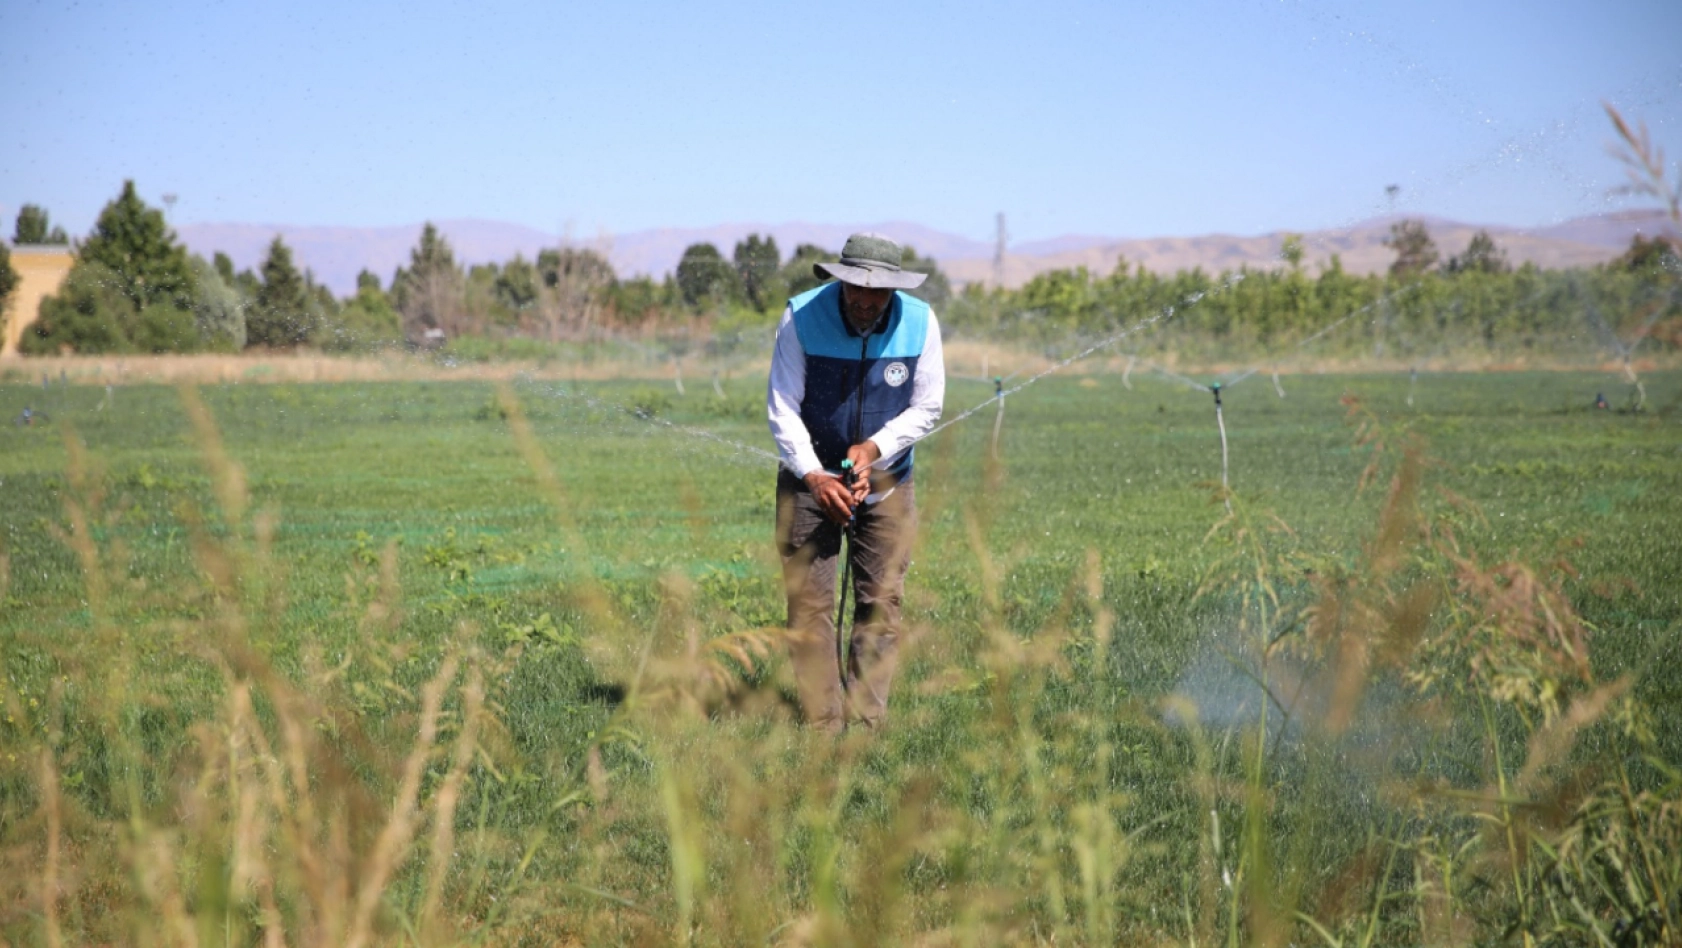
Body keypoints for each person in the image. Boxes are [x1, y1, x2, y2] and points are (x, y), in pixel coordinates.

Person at [766, 233, 945, 732]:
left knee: (880, 602)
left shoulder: (921, 322)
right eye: (855, 289)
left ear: (894, 290)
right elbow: (782, 404)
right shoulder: (801, 316)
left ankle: (867, 724)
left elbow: (928, 406)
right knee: (810, 604)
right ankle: (823, 725)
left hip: (888, 482)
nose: (865, 301)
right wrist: (814, 475)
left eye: (878, 292)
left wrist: (873, 451)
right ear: (840, 281)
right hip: (808, 482)